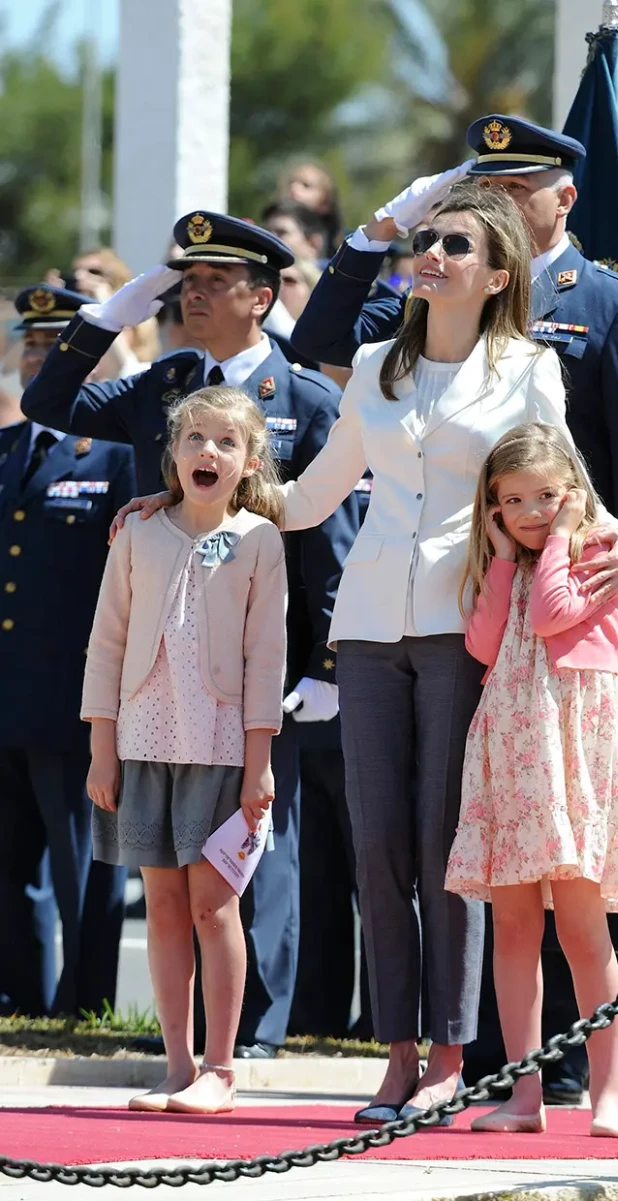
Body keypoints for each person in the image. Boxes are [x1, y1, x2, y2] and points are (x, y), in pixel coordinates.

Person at [292, 115, 618, 1103]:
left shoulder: (529, 370)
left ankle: (456, 1055)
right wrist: (188, 500)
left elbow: (572, 490)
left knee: (447, 843)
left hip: (473, 627)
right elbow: (310, 495)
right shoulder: (378, 368)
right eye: (425, 241)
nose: (430, 254)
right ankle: (396, 1051)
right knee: (379, 848)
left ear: (496, 271)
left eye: (452, 242)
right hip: (371, 623)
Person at [21, 212, 360, 1059]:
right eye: (186, 281)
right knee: (174, 862)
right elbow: (45, 401)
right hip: (160, 665)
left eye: (214, 282)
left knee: (253, 844)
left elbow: (330, 548)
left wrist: (323, 666)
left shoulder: (307, 399)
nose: (192, 294)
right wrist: (107, 317)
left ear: (262, 295)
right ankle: (188, 1039)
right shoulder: (164, 379)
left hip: (256, 664)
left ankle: (256, 1032)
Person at [446, 422, 618, 1136]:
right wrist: (503, 559)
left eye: (546, 496)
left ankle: (608, 1092)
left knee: (581, 928)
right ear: (493, 508)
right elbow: (482, 642)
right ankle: (523, 1094)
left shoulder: (601, 548)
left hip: (573, 749)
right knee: (510, 928)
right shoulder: (503, 558)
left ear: (572, 492)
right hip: (510, 749)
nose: (532, 512)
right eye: (513, 500)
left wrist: (565, 533)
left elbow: (552, 616)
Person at [84, 385, 287, 1115]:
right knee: (163, 905)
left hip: (221, 746)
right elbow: (106, 641)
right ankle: (176, 1063)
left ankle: (221, 1066)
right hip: (140, 740)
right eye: (194, 438)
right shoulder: (137, 533)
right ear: (170, 454)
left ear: (251, 462)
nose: (208, 450)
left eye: (226, 442)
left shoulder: (261, 542)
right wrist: (102, 747)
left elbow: (268, 657)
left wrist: (258, 762)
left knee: (213, 905)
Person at [0, 283, 134, 1017]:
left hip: (74, 698)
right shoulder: (5, 448)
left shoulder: (116, 455)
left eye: (54, 346)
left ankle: (85, 1000)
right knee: (9, 865)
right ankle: (18, 992)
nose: (37, 356)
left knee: (83, 863)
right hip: (8, 695)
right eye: (31, 343)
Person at [278, 159, 342, 257]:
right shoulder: (274, 222)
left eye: (306, 185)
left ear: (325, 203)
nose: (294, 188)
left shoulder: (337, 247)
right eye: (291, 183)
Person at [261, 201, 327, 265]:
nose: (270, 238)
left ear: (313, 244)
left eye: (282, 232)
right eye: (268, 232)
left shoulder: (335, 274)